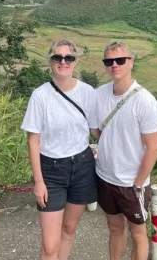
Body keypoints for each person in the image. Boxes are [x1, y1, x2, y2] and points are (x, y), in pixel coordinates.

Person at [20, 39, 98, 260]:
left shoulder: (87, 92)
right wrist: (39, 181)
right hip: (51, 169)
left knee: (69, 230)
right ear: (50, 62)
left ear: (75, 62)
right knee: (50, 244)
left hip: (82, 166)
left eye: (68, 58)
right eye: (57, 57)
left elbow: (94, 129)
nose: (63, 62)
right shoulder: (41, 95)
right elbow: (33, 140)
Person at [91, 41, 157, 260]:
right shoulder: (99, 94)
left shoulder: (145, 101)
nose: (115, 65)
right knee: (114, 227)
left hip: (132, 183)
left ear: (131, 62)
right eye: (109, 61)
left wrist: (138, 184)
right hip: (105, 176)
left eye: (120, 60)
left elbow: (153, 148)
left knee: (138, 233)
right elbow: (96, 131)